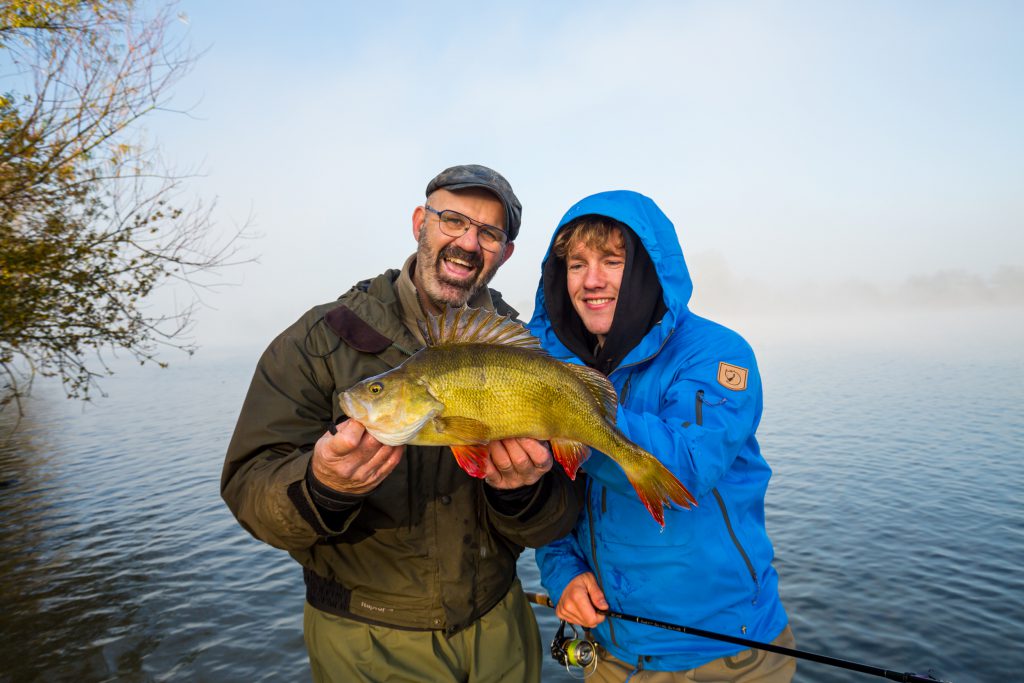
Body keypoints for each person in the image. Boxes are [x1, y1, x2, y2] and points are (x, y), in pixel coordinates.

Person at [221, 164, 581, 683]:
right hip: (366, 643)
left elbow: (559, 519)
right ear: (420, 222)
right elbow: (248, 487)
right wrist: (322, 488)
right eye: (452, 220)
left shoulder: (526, 355)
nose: (467, 242)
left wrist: (520, 495)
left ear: (505, 253)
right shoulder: (320, 340)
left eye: (488, 233)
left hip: (501, 630)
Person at [529, 190, 795, 682]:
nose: (591, 281)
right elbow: (551, 491)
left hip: (726, 658)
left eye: (613, 261)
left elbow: (684, 469)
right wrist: (562, 572)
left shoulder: (719, 355)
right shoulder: (555, 368)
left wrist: (568, 409)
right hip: (610, 653)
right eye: (576, 264)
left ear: (650, 270)